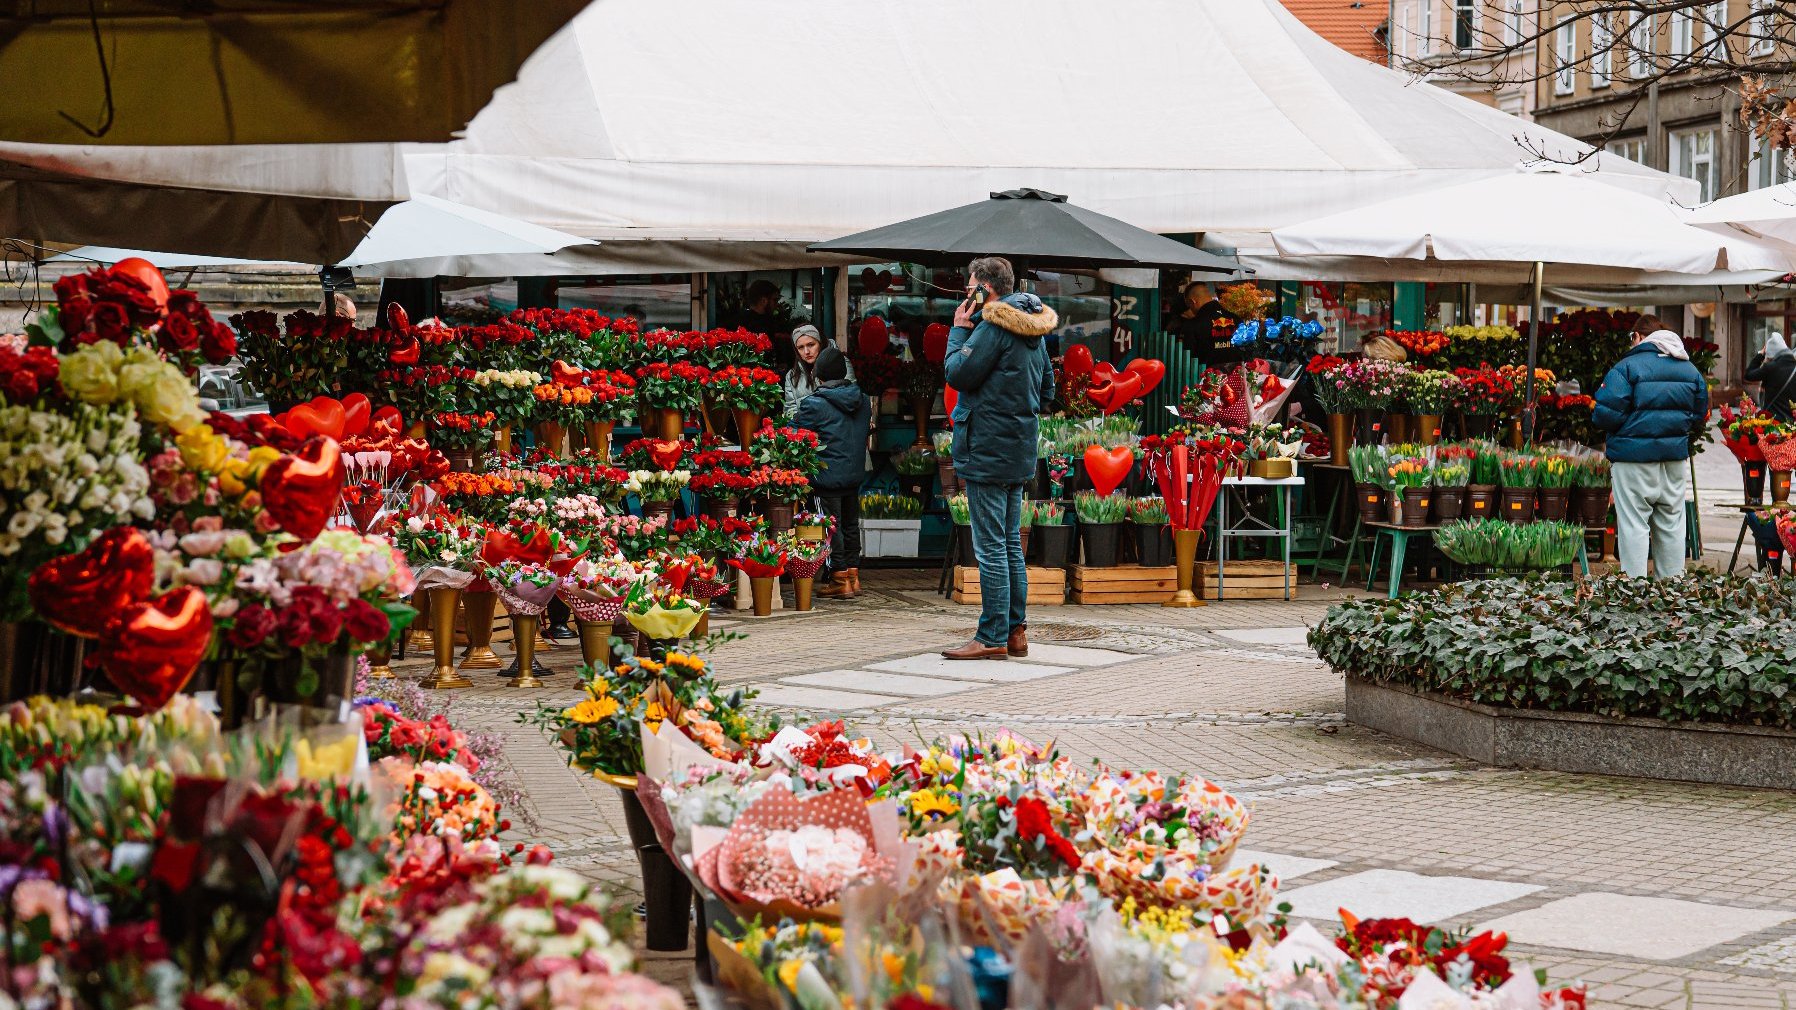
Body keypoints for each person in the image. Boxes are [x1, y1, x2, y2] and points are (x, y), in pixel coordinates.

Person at [940, 257, 1056, 660]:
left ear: (984, 290)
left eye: (971, 286)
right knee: (1009, 544)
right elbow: (1046, 391)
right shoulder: (1034, 332)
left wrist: (958, 331)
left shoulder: (992, 328)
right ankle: (1015, 632)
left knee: (990, 547)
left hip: (987, 447)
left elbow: (957, 373)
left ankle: (990, 635)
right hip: (1018, 447)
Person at [1591, 314, 1709, 578]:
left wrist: (1632, 424)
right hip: (1673, 459)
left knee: (1634, 524)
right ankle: (1672, 591)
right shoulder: (1689, 370)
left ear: (1639, 337)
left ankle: (1634, 590)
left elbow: (1604, 415)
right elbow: (1699, 413)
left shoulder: (1627, 368)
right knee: (1671, 524)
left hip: (1632, 461)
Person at [792, 346, 870, 599]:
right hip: (853, 473)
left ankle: (838, 578)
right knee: (849, 524)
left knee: (829, 527)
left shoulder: (814, 404)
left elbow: (794, 434)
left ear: (819, 374)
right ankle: (853, 576)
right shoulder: (863, 399)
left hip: (826, 477)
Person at [782, 324, 855, 418]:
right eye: (800, 347)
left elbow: (851, 398)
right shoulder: (792, 376)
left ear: (821, 343)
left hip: (837, 428)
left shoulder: (840, 362)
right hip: (805, 430)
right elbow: (790, 412)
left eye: (811, 345)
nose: (806, 352)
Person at [1169, 282, 1241, 368]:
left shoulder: (1192, 326)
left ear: (1193, 301)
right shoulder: (1237, 319)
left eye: (1190, 306)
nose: (1191, 310)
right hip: (1238, 377)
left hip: (1206, 378)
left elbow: (1185, 360)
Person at [1745, 332, 1796, 420]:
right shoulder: (1794, 367)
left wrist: (1760, 355)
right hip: (1792, 423)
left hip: (1773, 421)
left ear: (1770, 354)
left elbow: (1749, 375)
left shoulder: (1770, 368)